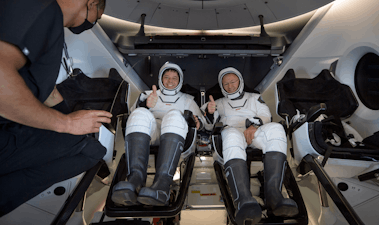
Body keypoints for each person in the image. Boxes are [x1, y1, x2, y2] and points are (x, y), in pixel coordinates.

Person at [0, 0, 110, 216]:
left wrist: (74, 121)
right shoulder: (43, 9)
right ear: (92, 3)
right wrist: (67, 124)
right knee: (90, 150)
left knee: (89, 147)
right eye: (97, 16)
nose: (94, 22)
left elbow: (47, 91)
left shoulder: (49, 23)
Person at [202, 67, 298, 225]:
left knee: (276, 128)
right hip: (233, 134)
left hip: (255, 132)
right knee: (231, 134)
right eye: (225, 84)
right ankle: (243, 199)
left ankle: (274, 195)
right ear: (221, 86)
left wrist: (253, 126)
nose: (230, 86)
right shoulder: (217, 103)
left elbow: (266, 115)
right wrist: (210, 113)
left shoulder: (255, 97)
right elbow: (206, 126)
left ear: (240, 81)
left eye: (233, 81)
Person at [111, 62, 205, 206]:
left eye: (174, 78)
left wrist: (198, 123)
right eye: (166, 77)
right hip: (150, 135)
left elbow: (202, 122)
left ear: (180, 80)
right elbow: (131, 115)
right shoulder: (147, 95)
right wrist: (145, 105)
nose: (170, 81)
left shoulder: (188, 100)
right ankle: (135, 179)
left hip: (176, 136)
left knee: (173, 115)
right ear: (160, 78)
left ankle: (162, 185)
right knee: (139, 113)